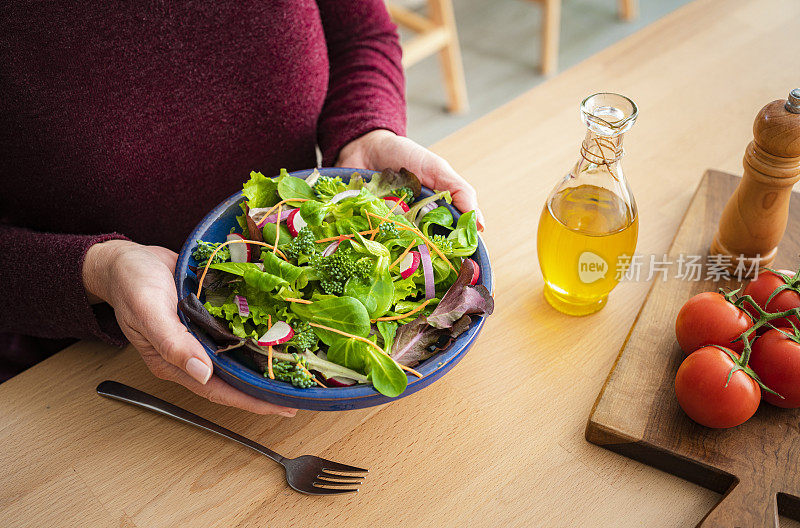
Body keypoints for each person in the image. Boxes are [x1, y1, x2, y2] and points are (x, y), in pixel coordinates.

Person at [0, 0, 483, 416]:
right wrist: (96, 270)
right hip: (71, 374)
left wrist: (366, 131)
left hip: (288, 316)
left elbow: (362, 33)